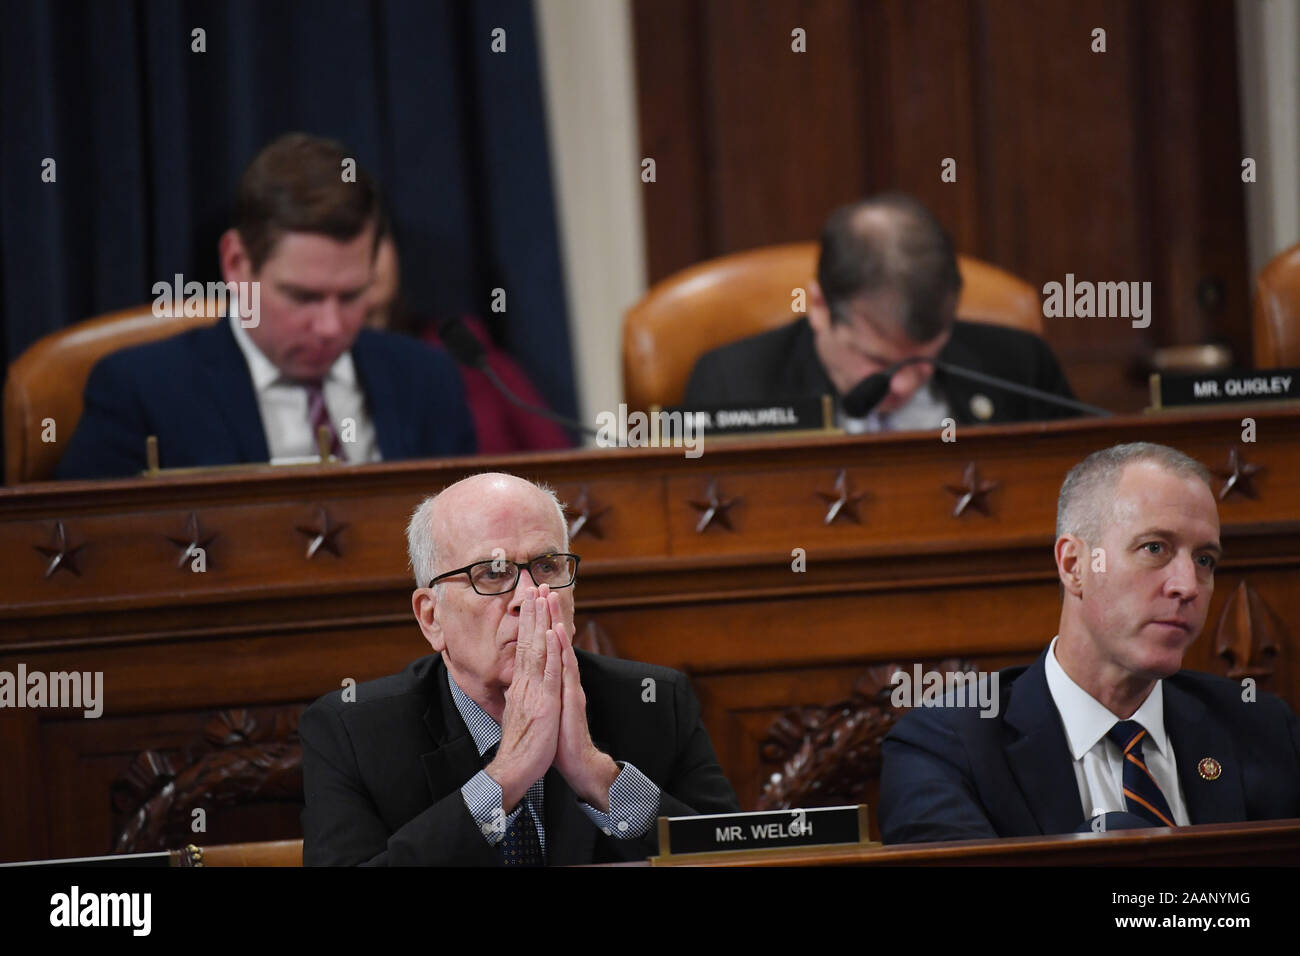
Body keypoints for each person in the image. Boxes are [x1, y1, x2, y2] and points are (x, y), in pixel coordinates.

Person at [299, 472, 739, 865]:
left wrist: (599, 778)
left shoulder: (656, 702)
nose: (530, 596)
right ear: (432, 617)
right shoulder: (352, 732)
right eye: (492, 573)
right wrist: (505, 778)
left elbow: (735, 858)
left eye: (547, 567)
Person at [879, 442, 1300, 843]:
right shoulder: (945, 748)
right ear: (1073, 564)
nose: (1188, 585)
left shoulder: (1263, 729)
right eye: (1155, 548)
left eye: (1204, 560)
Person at [55, 133, 475, 479]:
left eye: (351, 296)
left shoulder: (428, 380)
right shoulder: (139, 392)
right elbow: (87, 562)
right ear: (236, 263)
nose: (330, 326)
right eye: (302, 296)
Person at [683, 192, 1078, 430]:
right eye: (876, 360)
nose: (903, 386)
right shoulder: (731, 388)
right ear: (820, 308)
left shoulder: (1021, 368)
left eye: (924, 359)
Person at [363, 228, 572, 454]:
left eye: (378, 241)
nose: (370, 260)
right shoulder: (332, 375)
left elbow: (556, 454)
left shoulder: (462, 347)